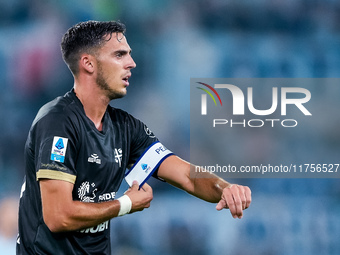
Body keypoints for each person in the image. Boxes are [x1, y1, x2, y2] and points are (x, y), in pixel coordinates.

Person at [17, 20, 251, 254]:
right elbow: (58, 217)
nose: (131, 63)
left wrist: (225, 189)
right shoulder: (57, 122)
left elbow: (187, 177)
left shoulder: (125, 128)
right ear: (88, 63)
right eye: (119, 55)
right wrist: (125, 204)